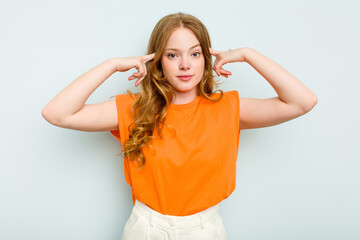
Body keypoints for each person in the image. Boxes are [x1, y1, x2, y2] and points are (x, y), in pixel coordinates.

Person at [42, 12, 318, 240]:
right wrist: (112, 65)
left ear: (206, 58)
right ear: (158, 60)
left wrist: (247, 54)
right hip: (145, 229)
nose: (185, 65)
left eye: (195, 54)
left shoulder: (228, 108)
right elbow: (57, 114)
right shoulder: (134, 109)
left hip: (205, 231)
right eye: (172, 55)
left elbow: (303, 102)